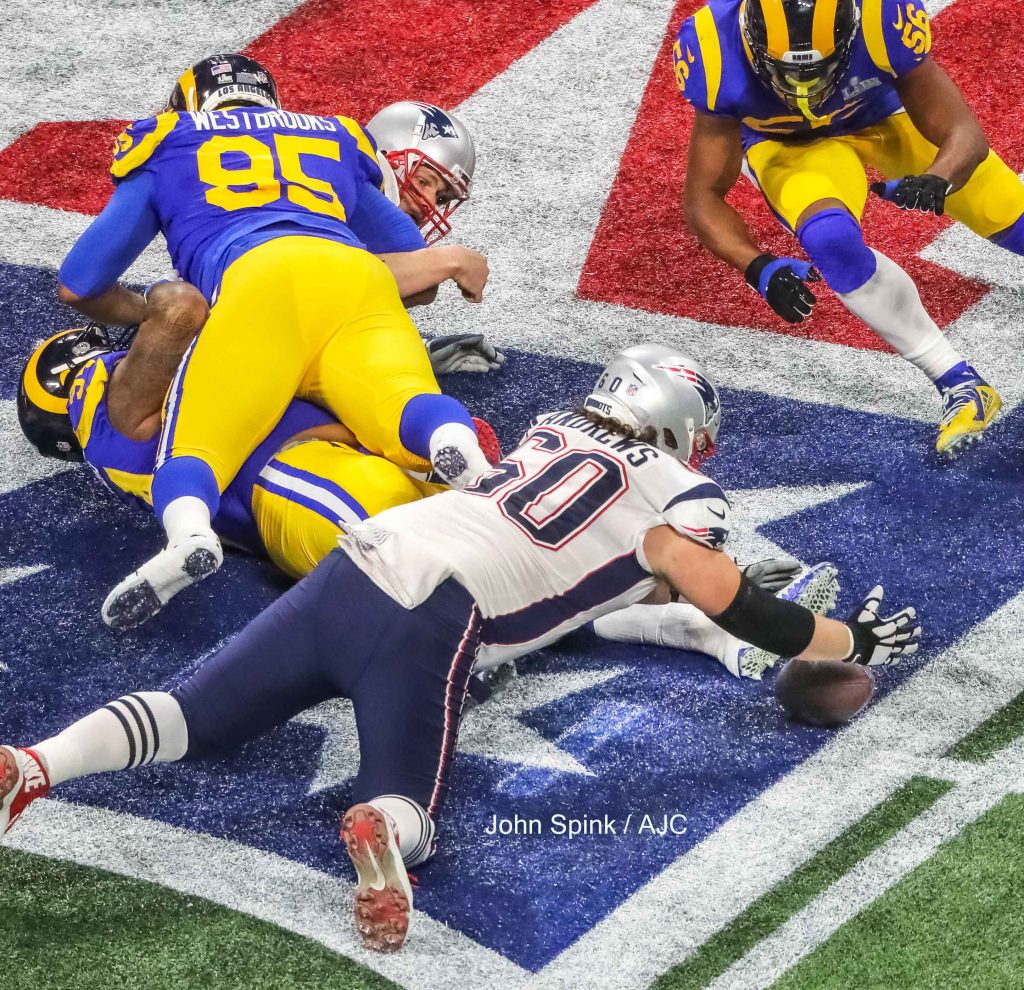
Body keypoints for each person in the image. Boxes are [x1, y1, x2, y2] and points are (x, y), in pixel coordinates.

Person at [1, 344, 921, 953]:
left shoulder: (552, 428)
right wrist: (847, 637)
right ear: (680, 423)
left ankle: (35, 764)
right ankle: (382, 833)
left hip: (361, 561)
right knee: (409, 801)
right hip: (434, 615)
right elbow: (730, 600)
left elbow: (590, 577)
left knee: (191, 715)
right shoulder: (682, 491)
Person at [56, 53, 494, 629]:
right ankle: (471, 462)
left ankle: (188, 536)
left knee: (195, 448)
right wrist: (449, 259)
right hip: (354, 278)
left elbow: (78, 282)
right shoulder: (334, 134)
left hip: (255, 282)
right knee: (405, 397)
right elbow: (413, 263)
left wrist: (144, 311)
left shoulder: (170, 140)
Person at [675, 0, 1024, 456]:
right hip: (787, 144)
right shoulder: (712, 47)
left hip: (883, 114)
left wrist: (938, 178)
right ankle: (960, 383)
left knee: (1007, 212)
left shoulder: (882, 17)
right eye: (786, 70)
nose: (805, 85)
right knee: (829, 241)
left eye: (822, 67)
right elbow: (702, 196)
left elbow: (964, 134)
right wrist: (756, 265)